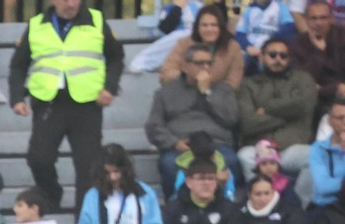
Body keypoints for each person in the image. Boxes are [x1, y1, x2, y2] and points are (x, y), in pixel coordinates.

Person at [8, 0, 123, 212]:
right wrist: (16, 98)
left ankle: (84, 220)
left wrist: (110, 88)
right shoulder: (36, 24)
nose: (70, 4)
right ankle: (51, 195)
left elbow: (116, 57)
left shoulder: (96, 21)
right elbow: (18, 65)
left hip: (86, 104)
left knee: (88, 166)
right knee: (39, 158)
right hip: (49, 102)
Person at [147, 43, 240, 192]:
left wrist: (207, 93)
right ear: (185, 66)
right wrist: (174, 143)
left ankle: (226, 203)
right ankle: (175, 204)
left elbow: (231, 119)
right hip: (181, 146)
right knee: (169, 164)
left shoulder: (223, 90)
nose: (206, 67)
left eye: (209, 63)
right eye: (200, 63)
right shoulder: (165, 93)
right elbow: (154, 126)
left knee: (231, 161)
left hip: (216, 144)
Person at [237, 39, 317, 184]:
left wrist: (266, 109)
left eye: (283, 55)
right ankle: (259, 195)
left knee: (315, 156)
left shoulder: (303, 79)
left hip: (291, 148)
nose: (278, 59)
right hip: (259, 149)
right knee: (244, 155)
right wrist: (288, 116)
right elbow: (248, 123)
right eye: (272, 55)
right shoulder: (249, 84)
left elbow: (304, 106)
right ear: (262, 57)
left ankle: (297, 198)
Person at [160, 3, 243, 90]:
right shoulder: (183, 44)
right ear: (197, 27)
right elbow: (166, 74)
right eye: (204, 25)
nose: (209, 29)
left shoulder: (233, 48)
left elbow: (233, 83)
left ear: (221, 28)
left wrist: (207, 88)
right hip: (185, 93)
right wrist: (188, 77)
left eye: (214, 25)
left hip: (218, 96)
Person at [290, 1, 345, 111]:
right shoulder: (298, 44)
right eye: (313, 18)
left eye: (323, 18)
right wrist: (319, 53)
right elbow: (303, 80)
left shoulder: (342, 37)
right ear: (306, 20)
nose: (318, 23)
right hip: (315, 100)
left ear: (332, 19)